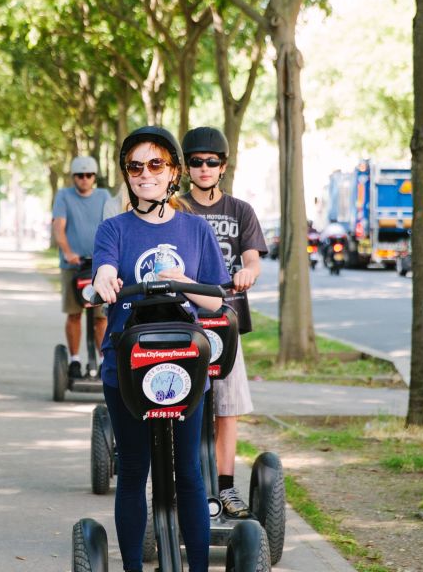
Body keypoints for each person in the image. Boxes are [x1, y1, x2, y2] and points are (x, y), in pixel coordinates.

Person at [92, 126, 228, 572]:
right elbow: (104, 272)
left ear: (173, 172)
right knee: (133, 469)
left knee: (189, 471)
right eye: (135, 166)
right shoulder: (114, 228)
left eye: (155, 165)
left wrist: (179, 280)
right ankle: (132, 565)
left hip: (184, 363)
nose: (145, 174)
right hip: (128, 364)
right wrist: (104, 281)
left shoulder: (195, 230)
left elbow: (213, 298)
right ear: (126, 175)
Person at [179, 126, 266, 519]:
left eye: (211, 162)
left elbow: (253, 258)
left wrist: (248, 272)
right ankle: (186, 487)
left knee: (225, 410)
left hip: (226, 324)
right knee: (182, 406)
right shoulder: (177, 210)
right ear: (185, 168)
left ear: (223, 166)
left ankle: (226, 489)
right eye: (196, 162)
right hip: (185, 323)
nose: (203, 168)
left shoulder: (240, 211)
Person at [52, 155, 111, 377]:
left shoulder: (104, 196)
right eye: (80, 176)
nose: (84, 179)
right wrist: (68, 253)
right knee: (74, 313)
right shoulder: (64, 196)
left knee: (101, 317)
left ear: (94, 177)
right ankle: (75, 360)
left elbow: (111, 224)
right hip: (73, 266)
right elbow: (59, 226)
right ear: (73, 177)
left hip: (100, 267)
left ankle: (104, 361)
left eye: (88, 176)